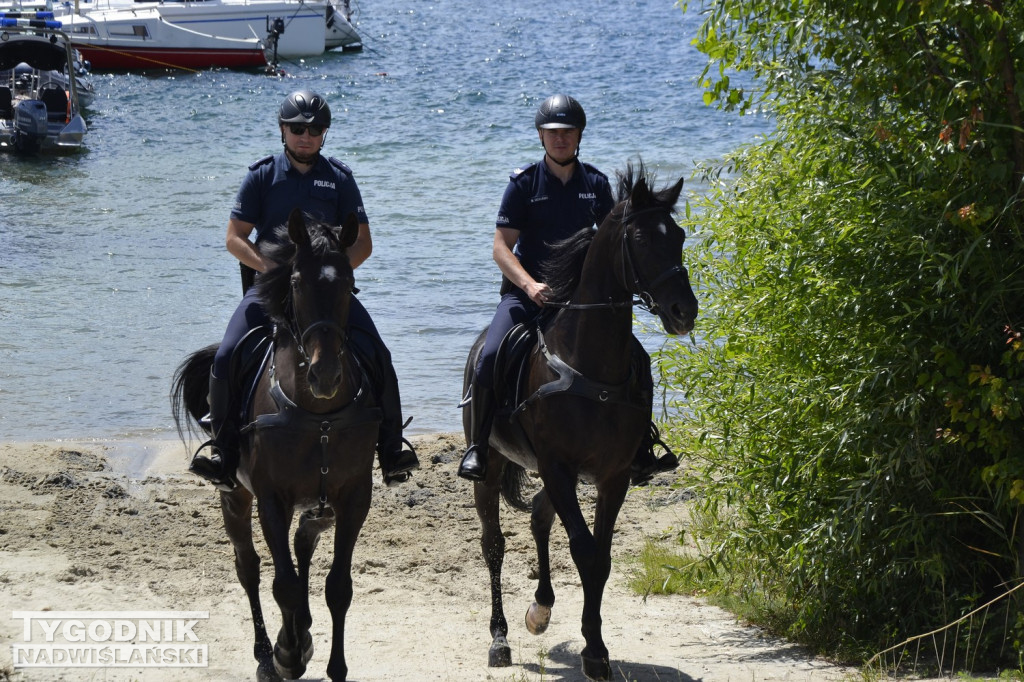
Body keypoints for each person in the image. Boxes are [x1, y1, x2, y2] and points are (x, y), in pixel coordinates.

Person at [189, 89, 419, 489]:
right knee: (226, 355)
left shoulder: (340, 179)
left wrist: (331, 278)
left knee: (379, 353)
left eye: (314, 130)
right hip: (268, 291)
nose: (305, 136)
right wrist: (272, 270)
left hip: (326, 299)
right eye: (297, 129)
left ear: (324, 134)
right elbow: (234, 238)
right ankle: (222, 452)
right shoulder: (262, 176)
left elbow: (362, 242)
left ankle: (391, 448)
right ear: (283, 130)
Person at [457, 93, 679, 485]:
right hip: (526, 294)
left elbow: (612, 244)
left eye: (568, 132)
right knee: (489, 355)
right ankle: (478, 444)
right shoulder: (524, 184)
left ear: (579, 136)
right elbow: (500, 246)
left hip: (578, 300)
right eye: (553, 132)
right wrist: (528, 284)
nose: (561, 139)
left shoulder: (595, 184)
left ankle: (640, 447)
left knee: (637, 360)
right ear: (541, 136)